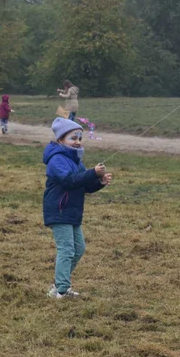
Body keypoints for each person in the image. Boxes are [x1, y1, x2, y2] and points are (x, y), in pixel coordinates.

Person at [42, 117, 112, 298]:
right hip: (59, 210)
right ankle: (62, 291)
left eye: (80, 138)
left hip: (72, 212)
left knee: (78, 249)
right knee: (66, 249)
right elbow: (68, 181)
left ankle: (58, 285)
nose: (77, 142)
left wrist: (100, 182)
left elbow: (84, 186)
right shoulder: (56, 159)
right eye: (73, 138)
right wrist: (92, 172)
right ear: (60, 140)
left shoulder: (75, 160)